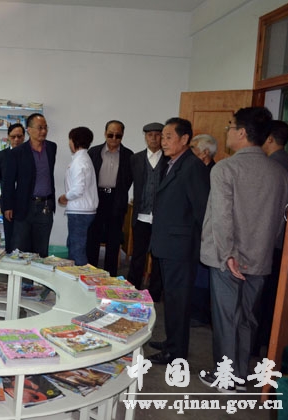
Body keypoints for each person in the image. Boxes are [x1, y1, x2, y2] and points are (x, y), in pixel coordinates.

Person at [200, 107, 288, 392]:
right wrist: (263, 248)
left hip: (228, 259)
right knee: (248, 318)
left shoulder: (225, 168)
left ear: (241, 132)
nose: (227, 131)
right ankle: (239, 374)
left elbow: (222, 217)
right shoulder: (279, 172)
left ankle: (227, 377)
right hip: (260, 257)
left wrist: (228, 254)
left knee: (226, 318)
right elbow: (280, 220)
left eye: (230, 126)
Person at [148, 117, 210, 364]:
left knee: (179, 301)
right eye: (162, 137)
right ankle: (172, 341)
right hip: (168, 244)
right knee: (172, 300)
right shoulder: (174, 163)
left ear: (184, 139)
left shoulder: (193, 167)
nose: (163, 142)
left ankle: (176, 352)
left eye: (168, 137)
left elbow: (202, 210)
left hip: (180, 247)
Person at [255, 120, 288, 353]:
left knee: (264, 297)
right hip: (279, 241)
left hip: (271, 241)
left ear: (269, 138)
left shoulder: (274, 166)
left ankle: (258, 342)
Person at [1, 113, 57, 257]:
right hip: (24, 206)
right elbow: (8, 182)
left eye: (45, 127)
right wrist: (7, 206)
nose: (43, 131)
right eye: (39, 128)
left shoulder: (51, 148)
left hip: (45, 206)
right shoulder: (18, 152)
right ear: (29, 130)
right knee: (20, 249)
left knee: (41, 251)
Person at [87, 120, 133, 276]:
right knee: (93, 237)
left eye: (118, 136)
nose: (114, 138)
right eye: (110, 135)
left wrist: (119, 193)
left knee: (113, 240)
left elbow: (128, 180)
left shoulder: (129, 155)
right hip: (97, 198)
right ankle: (91, 273)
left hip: (116, 199)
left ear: (122, 135)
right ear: (105, 133)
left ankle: (110, 276)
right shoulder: (94, 152)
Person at [127, 122, 167, 299]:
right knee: (138, 254)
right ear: (145, 137)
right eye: (150, 135)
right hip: (141, 215)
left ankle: (155, 292)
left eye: (157, 135)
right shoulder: (136, 159)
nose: (154, 138)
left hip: (161, 216)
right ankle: (133, 287)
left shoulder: (169, 159)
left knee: (158, 255)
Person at [189, 133, 218, 328]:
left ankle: (200, 313)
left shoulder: (215, 173)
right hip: (194, 230)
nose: (190, 151)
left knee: (203, 273)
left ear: (205, 153)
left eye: (193, 148)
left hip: (208, 232)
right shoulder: (196, 170)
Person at [58, 126, 98, 265]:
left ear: (74, 140)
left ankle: (80, 275)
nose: (69, 143)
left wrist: (64, 197)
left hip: (80, 212)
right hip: (83, 210)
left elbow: (78, 189)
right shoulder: (83, 158)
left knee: (76, 250)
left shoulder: (79, 161)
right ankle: (75, 274)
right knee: (74, 246)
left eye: (70, 139)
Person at [0, 123, 25, 253]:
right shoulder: (0, 156)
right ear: (8, 137)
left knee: (24, 238)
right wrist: (8, 204)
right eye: (13, 137)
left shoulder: (29, 155)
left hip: (26, 203)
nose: (16, 139)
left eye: (19, 136)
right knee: (10, 237)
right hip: (8, 202)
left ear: (24, 137)